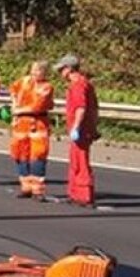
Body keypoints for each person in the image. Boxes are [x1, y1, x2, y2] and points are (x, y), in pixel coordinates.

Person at [55, 54, 99, 207]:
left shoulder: (78, 85)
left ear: (69, 69)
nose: (60, 73)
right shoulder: (85, 83)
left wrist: (76, 127)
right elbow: (94, 109)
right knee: (75, 161)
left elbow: (81, 108)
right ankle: (75, 193)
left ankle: (84, 195)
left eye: (61, 69)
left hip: (81, 129)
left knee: (81, 162)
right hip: (85, 128)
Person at [9, 61, 55, 199]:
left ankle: (38, 190)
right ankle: (26, 187)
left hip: (37, 124)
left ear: (44, 72)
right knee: (20, 155)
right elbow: (13, 89)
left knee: (38, 156)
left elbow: (37, 106)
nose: (34, 73)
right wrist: (14, 104)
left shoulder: (46, 87)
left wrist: (18, 110)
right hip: (21, 125)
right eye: (33, 70)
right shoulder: (24, 81)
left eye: (38, 71)